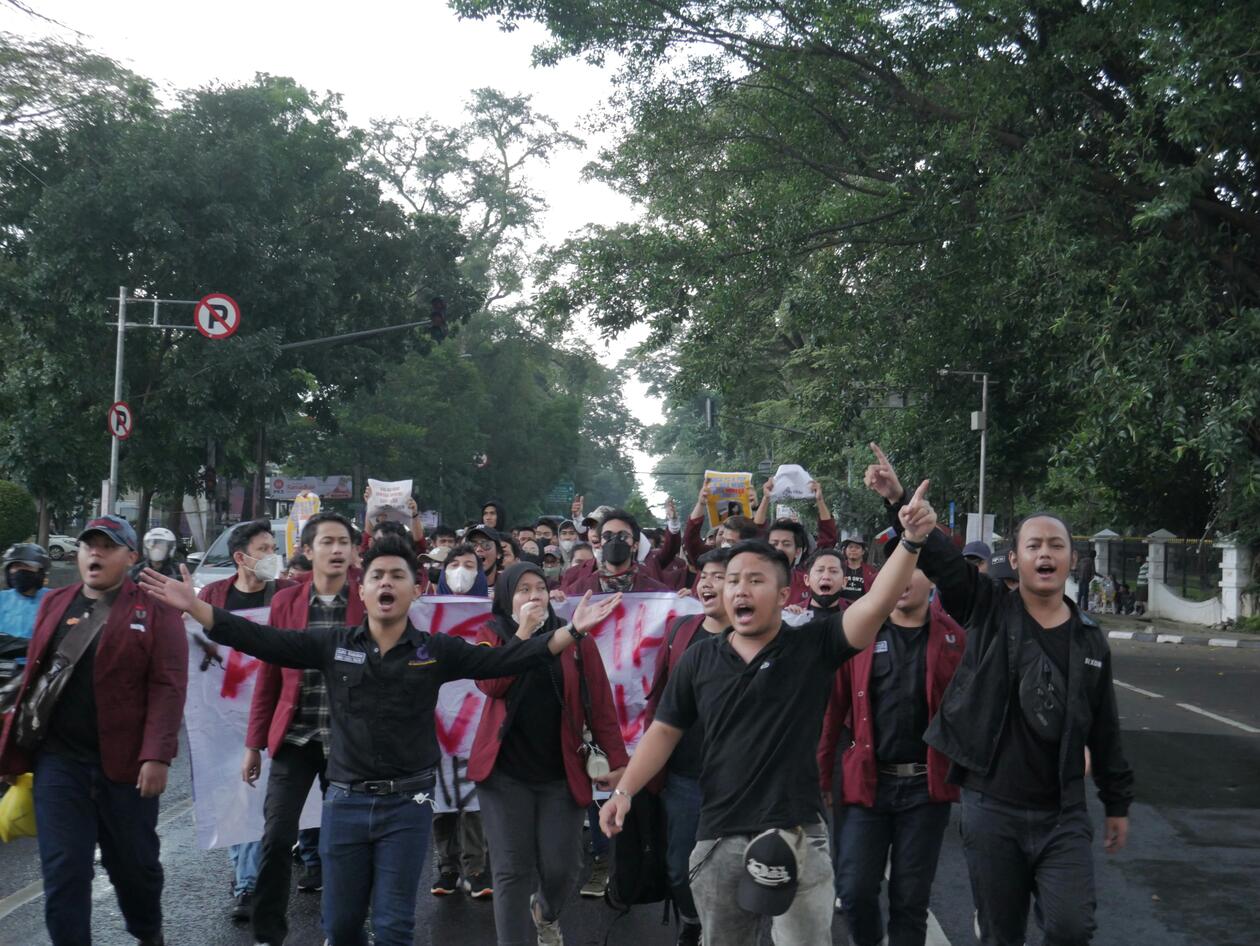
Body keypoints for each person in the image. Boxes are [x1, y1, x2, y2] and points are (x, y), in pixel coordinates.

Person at [140, 535, 620, 946]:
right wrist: (197, 607)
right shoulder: (333, 644)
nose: (386, 583)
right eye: (377, 576)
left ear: (416, 590)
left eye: (397, 575)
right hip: (345, 804)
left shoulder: (437, 651)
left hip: (408, 807)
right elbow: (261, 640)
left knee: (393, 927)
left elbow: (509, 663)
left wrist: (573, 629)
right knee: (344, 926)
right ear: (363, 590)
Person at [600, 482, 939, 946]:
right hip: (719, 836)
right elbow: (664, 731)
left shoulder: (813, 647)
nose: (740, 588)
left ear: (783, 595)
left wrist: (913, 541)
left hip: (799, 832)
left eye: (756, 580)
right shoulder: (699, 659)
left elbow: (877, 604)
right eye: (733, 579)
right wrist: (624, 791)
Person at [863, 443, 1133, 946]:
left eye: (1056, 545)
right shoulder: (987, 608)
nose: (1045, 554)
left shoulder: (1090, 638)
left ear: (1072, 558)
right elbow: (944, 561)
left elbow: (1105, 726)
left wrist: (1117, 802)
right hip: (992, 810)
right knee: (1000, 933)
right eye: (1034, 545)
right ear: (1016, 559)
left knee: (1073, 926)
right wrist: (899, 500)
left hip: (1063, 812)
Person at [0, 515, 188, 946]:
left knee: (134, 868)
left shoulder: (156, 611)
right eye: (88, 546)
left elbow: (169, 685)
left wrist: (157, 753)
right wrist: (12, 751)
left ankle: (148, 932)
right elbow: (34, 678)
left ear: (131, 557)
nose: (95, 554)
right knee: (64, 868)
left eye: (107, 546)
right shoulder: (55, 602)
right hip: (59, 763)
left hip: (125, 767)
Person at [469, 562, 629, 946]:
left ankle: (546, 913)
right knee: (511, 871)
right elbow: (490, 683)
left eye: (539, 587)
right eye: (522, 589)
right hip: (504, 774)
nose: (533, 596)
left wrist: (619, 763)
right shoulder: (491, 634)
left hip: (561, 772)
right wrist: (523, 634)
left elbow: (601, 706)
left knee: (562, 869)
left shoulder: (577, 639)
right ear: (507, 597)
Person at [818, 565, 966, 946]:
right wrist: (821, 777)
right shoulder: (860, 633)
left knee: (910, 900)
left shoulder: (954, 638)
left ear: (932, 579)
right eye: (893, 570)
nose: (902, 579)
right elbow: (833, 710)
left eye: (914, 570)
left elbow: (972, 714)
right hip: (867, 783)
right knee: (853, 890)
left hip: (925, 789)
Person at [240, 511, 362, 945]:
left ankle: (344, 929)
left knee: (345, 844)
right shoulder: (286, 603)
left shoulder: (368, 598)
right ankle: (268, 933)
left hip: (350, 743)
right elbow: (269, 675)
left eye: (344, 542)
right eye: (327, 542)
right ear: (308, 551)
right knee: (276, 837)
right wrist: (254, 743)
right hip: (296, 737)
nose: (337, 550)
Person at [196, 519, 297, 923]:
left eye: (275, 547)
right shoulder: (212, 596)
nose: (274, 556)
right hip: (225, 718)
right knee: (237, 796)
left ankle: (254, 879)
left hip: (277, 713)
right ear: (241, 558)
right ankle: (246, 878)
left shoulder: (288, 595)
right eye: (265, 549)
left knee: (264, 800)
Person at [643, 548, 731, 946]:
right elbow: (659, 698)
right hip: (683, 776)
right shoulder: (680, 631)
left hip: (740, 780)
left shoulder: (761, 635)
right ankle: (692, 920)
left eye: (720, 576)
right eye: (705, 575)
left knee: (736, 870)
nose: (708, 584)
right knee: (680, 867)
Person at [566, 510, 670, 594]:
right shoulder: (578, 590)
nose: (615, 541)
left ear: (635, 545)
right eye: (607, 536)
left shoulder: (656, 592)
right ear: (600, 543)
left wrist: (683, 600)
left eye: (623, 536)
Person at [0, 542, 51, 640]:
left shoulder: (55, 600)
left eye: (26, 566)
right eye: (15, 566)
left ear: (40, 572)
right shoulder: (2, 599)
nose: (19, 570)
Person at [839, 534, 880, 603]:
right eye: (850, 547)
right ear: (845, 550)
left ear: (863, 552)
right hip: (840, 608)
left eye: (857, 547)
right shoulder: (838, 568)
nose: (853, 550)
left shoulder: (871, 571)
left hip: (863, 608)